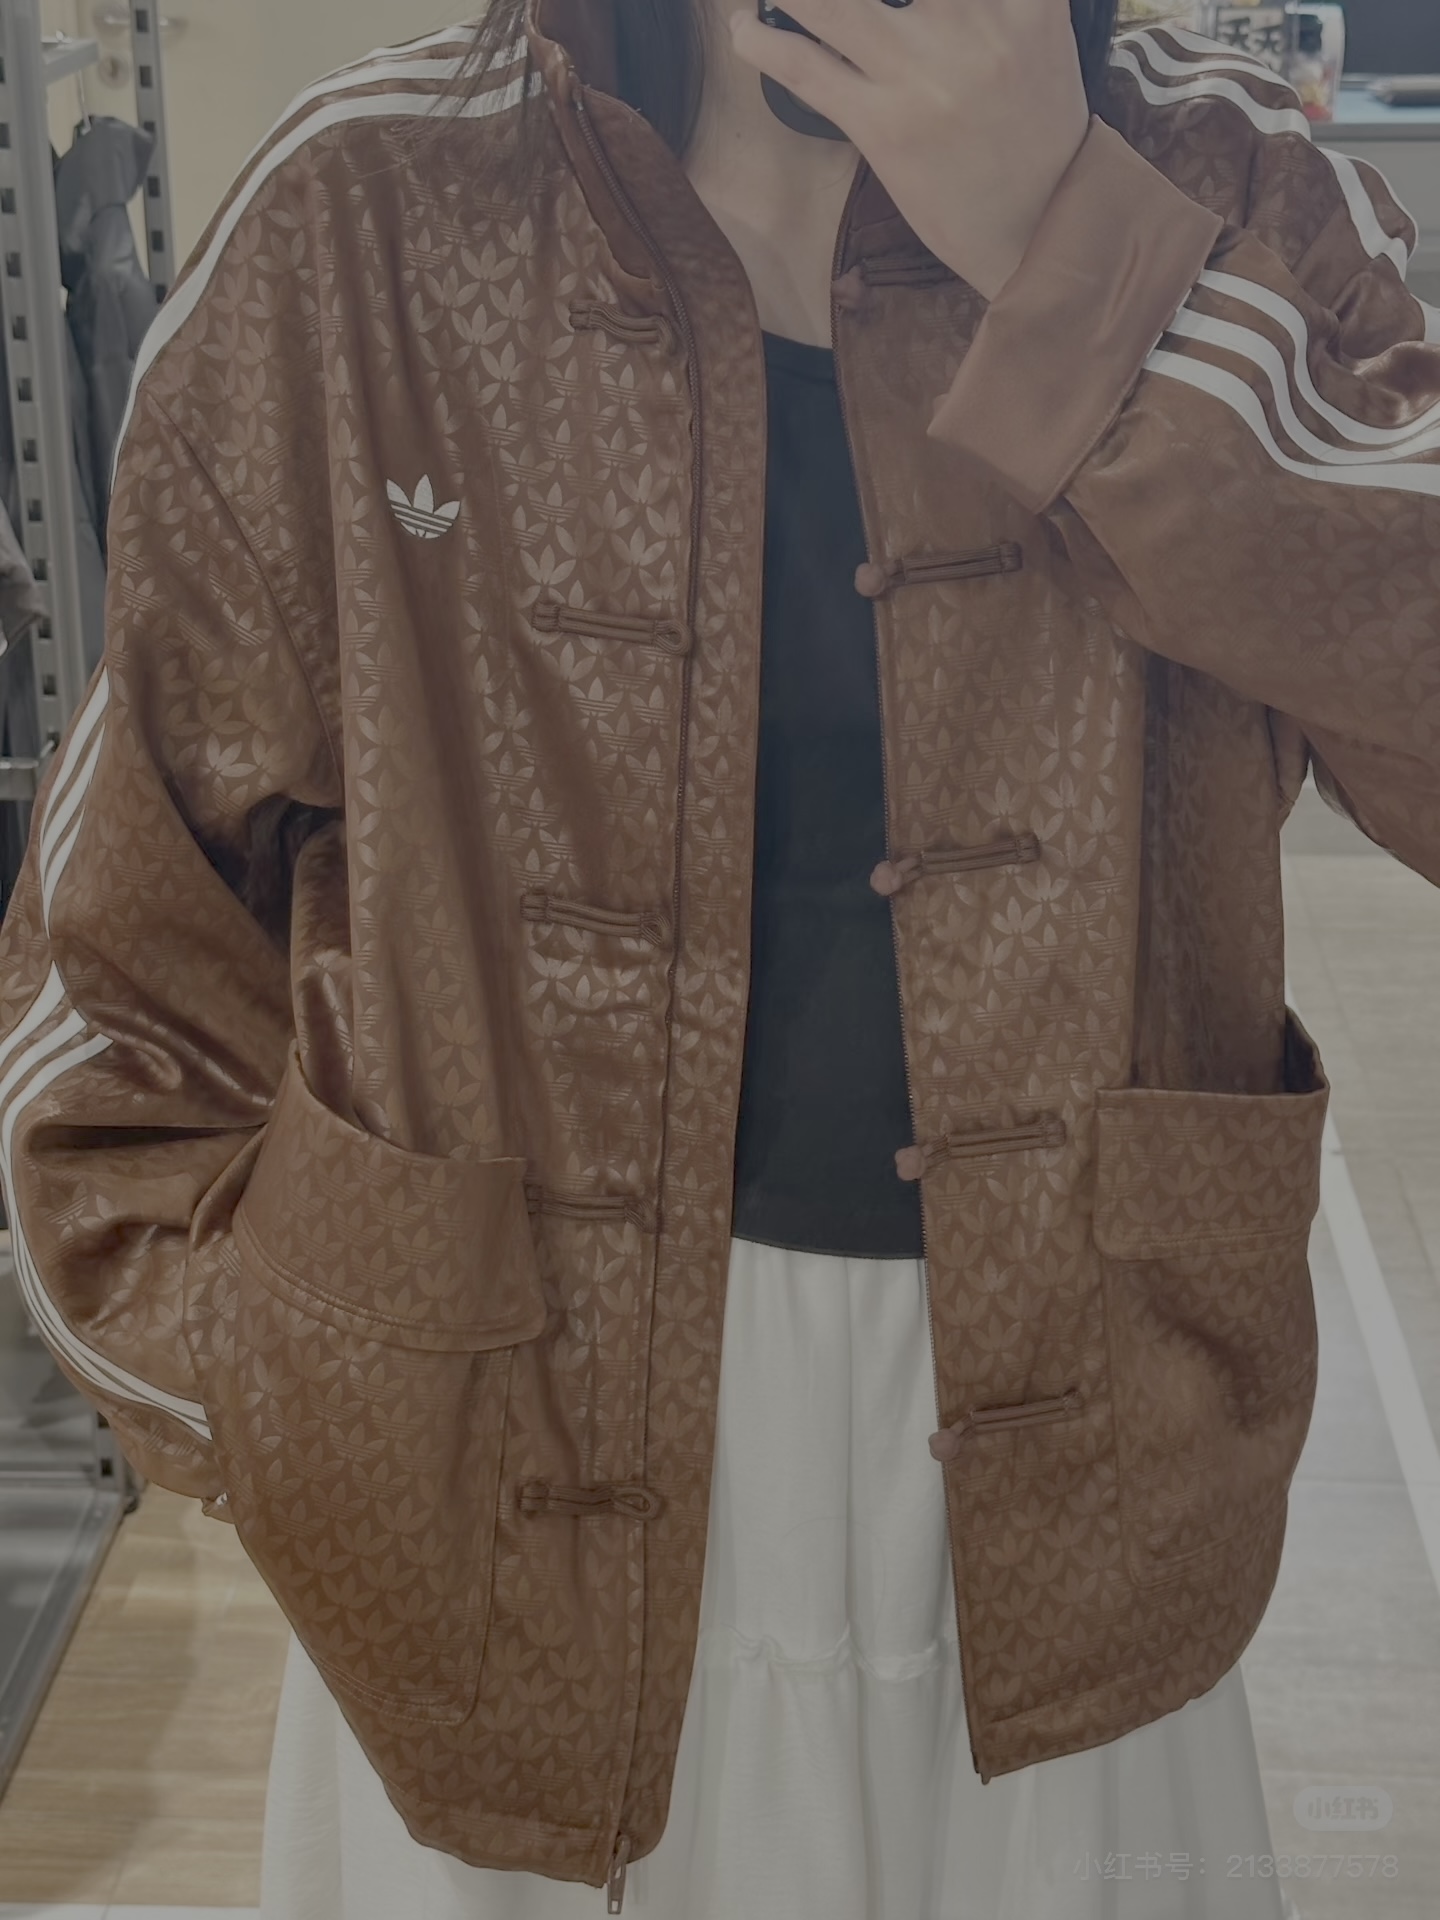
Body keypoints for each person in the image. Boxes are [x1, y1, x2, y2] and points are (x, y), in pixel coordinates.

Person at [0, 0, 1436, 1914]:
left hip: (1094, 1486)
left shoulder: (1231, 183)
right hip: (487, 1499)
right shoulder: (364, 216)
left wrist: (1080, 257)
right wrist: (308, 1404)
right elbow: (112, 974)